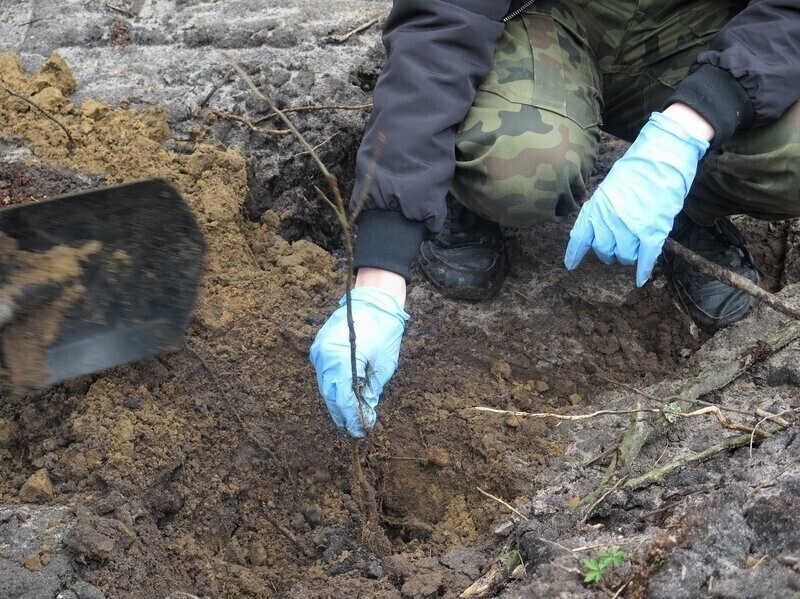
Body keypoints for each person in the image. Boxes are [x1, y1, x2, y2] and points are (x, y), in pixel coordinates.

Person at [310, 0, 800, 437]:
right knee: (517, 169)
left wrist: (689, 129)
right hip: (548, 19)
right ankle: (461, 184)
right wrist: (378, 280)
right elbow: (439, 34)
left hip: (707, 30)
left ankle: (688, 204)